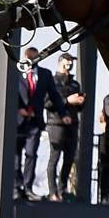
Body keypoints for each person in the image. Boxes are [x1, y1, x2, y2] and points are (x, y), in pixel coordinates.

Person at [17, 47, 65, 200]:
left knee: (31, 153)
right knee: (16, 154)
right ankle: (16, 187)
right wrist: (18, 109)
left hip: (35, 121)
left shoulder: (45, 74)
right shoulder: (16, 72)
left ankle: (28, 186)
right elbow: (10, 92)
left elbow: (54, 96)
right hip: (18, 120)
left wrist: (63, 114)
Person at [45, 53, 86, 201]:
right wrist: (67, 101)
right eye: (67, 61)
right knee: (54, 157)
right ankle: (52, 191)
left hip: (73, 125)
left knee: (69, 159)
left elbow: (79, 109)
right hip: (56, 124)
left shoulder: (75, 84)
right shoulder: (52, 81)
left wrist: (81, 101)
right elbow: (47, 103)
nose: (69, 63)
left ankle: (62, 190)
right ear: (60, 62)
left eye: (71, 61)